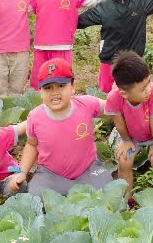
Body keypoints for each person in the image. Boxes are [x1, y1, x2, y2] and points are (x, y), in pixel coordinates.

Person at [20, 59, 133, 197]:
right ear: (40, 91)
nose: (54, 92)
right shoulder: (35, 117)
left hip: (88, 171)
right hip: (51, 176)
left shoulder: (86, 104)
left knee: (109, 190)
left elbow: (112, 108)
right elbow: (31, 145)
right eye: (48, 88)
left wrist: (118, 95)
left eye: (61, 86)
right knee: (35, 195)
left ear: (73, 87)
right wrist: (22, 172)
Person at [107, 51, 153, 194]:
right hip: (133, 134)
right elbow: (119, 123)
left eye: (149, 82)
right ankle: (126, 201)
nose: (148, 89)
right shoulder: (114, 98)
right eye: (143, 88)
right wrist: (126, 141)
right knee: (124, 160)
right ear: (124, 93)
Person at [28, 0, 91, 74]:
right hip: (41, 47)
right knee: (40, 78)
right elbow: (21, 11)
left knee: (62, 77)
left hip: (63, 46)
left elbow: (91, 2)